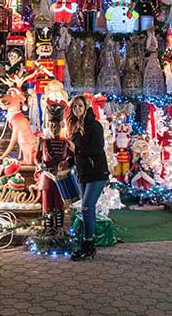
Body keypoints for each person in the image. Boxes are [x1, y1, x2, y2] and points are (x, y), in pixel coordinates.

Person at [64, 95, 109, 261]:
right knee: (86, 210)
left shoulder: (95, 126)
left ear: (86, 107)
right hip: (83, 174)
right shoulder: (75, 127)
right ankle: (87, 243)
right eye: (74, 107)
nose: (77, 110)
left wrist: (77, 148)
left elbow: (97, 149)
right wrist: (69, 161)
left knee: (87, 208)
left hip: (97, 173)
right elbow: (76, 153)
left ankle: (88, 245)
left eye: (80, 107)